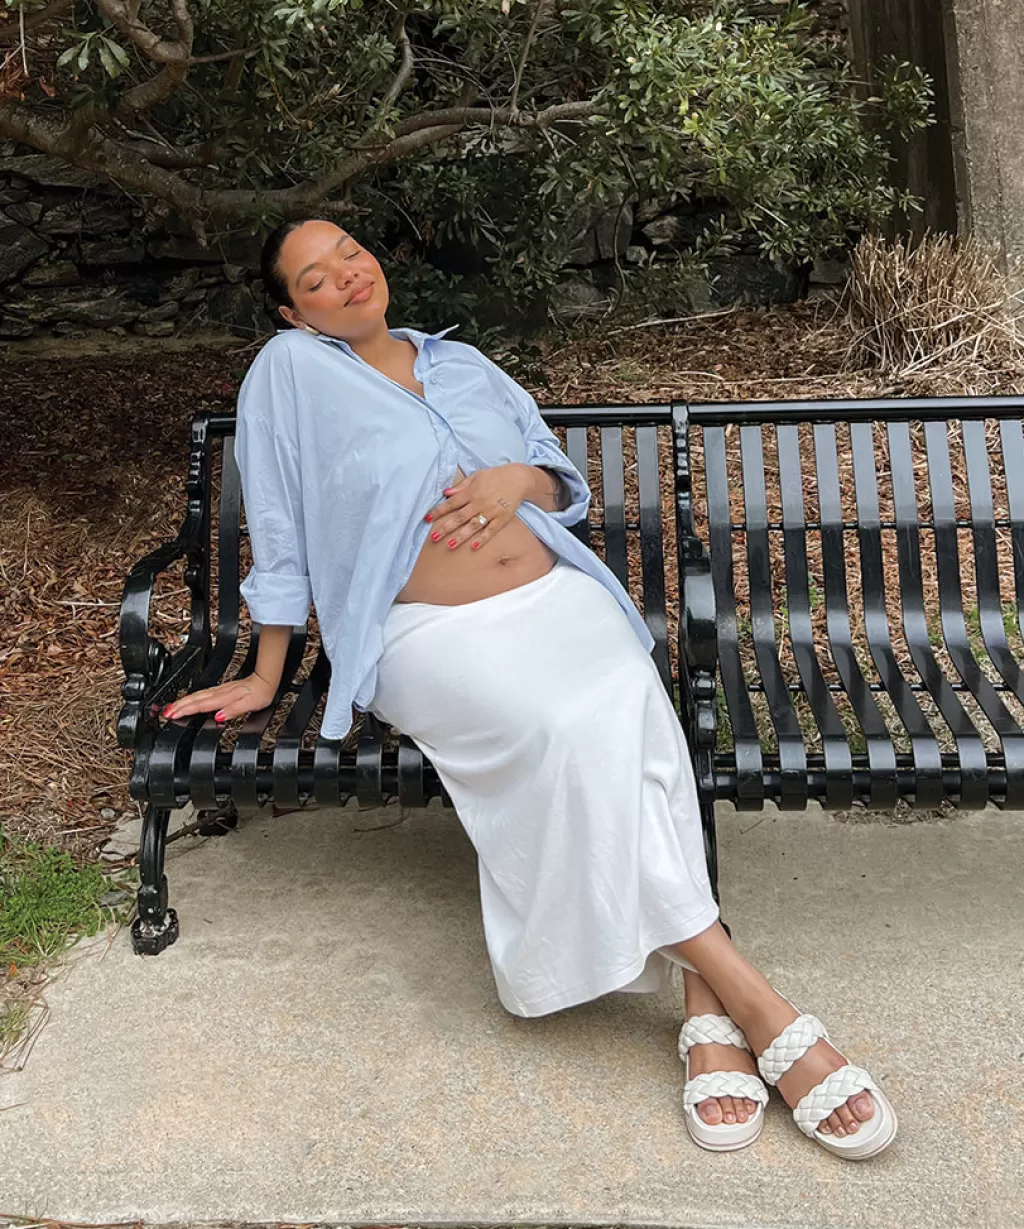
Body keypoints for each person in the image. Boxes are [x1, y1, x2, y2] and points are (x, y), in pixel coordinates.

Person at [162, 218, 897, 1158]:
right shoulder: (290, 374)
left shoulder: (464, 364)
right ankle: (748, 996)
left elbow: (558, 485)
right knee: (563, 725)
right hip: (426, 633)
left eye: (349, 252)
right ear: (291, 313)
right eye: (315, 278)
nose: (345, 275)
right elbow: (276, 522)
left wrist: (515, 479)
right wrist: (268, 670)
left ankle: (709, 1004)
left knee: (627, 706)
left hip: (561, 601)